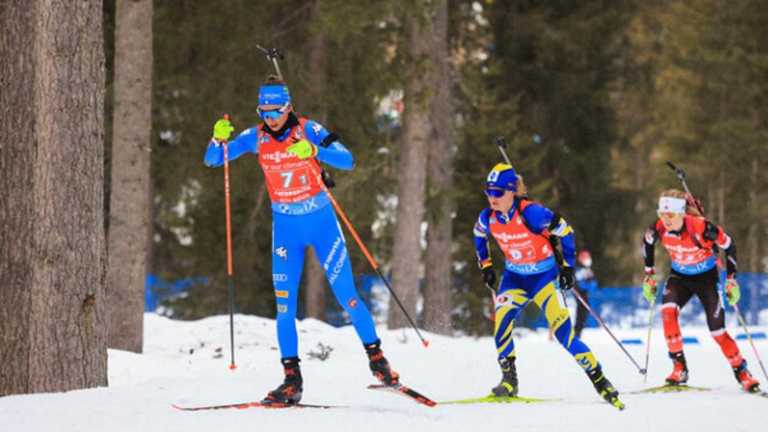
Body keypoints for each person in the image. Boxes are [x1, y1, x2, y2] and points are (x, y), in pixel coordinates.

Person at [203, 76, 399, 405]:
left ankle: (378, 360)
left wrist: (314, 150)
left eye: (276, 111)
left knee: (347, 296)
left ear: (288, 107)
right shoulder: (256, 137)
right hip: (286, 230)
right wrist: (216, 139)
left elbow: (348, 159)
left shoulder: (308, 129)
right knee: (284, 307)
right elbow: (213, 159)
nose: (270, 118)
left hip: (322, 224)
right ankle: (292, 380)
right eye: (263, 111)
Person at [473, 163, 622, 407]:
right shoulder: (487, 217)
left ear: (512, 191)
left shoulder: (532, 213)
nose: (492, 197)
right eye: (488, 192)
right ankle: (509, 380)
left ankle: (600, 379)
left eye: (498, 192)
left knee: (564, 335)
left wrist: (568, 267)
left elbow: (566, 231)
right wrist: (486, 265)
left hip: (544, 279)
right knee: (502, 323)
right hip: (514, 279)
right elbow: (478, 236)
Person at [642, 189, 760, 392]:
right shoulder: (659, 227)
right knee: (668, 313)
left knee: (717, 331)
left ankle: (741, 371)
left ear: (681, 213)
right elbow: (647, 242)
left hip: (707, 279)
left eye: (669, 215)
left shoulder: (702, 227)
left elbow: (730, 246)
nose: (665, 219)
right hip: (679, 277)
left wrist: (731, 280)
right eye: (661, 213)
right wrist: (649, 274)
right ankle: (679, 368)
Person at [573, 249, 598, 339]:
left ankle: (578, 332)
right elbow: (579, 283)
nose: (588, 260)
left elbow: (594, 283)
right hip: (577, 294)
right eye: (586, 258)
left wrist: (590, 281)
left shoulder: (587, 269)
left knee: (584, 312)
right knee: (580, 311)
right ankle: (575, 332)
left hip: (584, 294)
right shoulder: (577, 268)